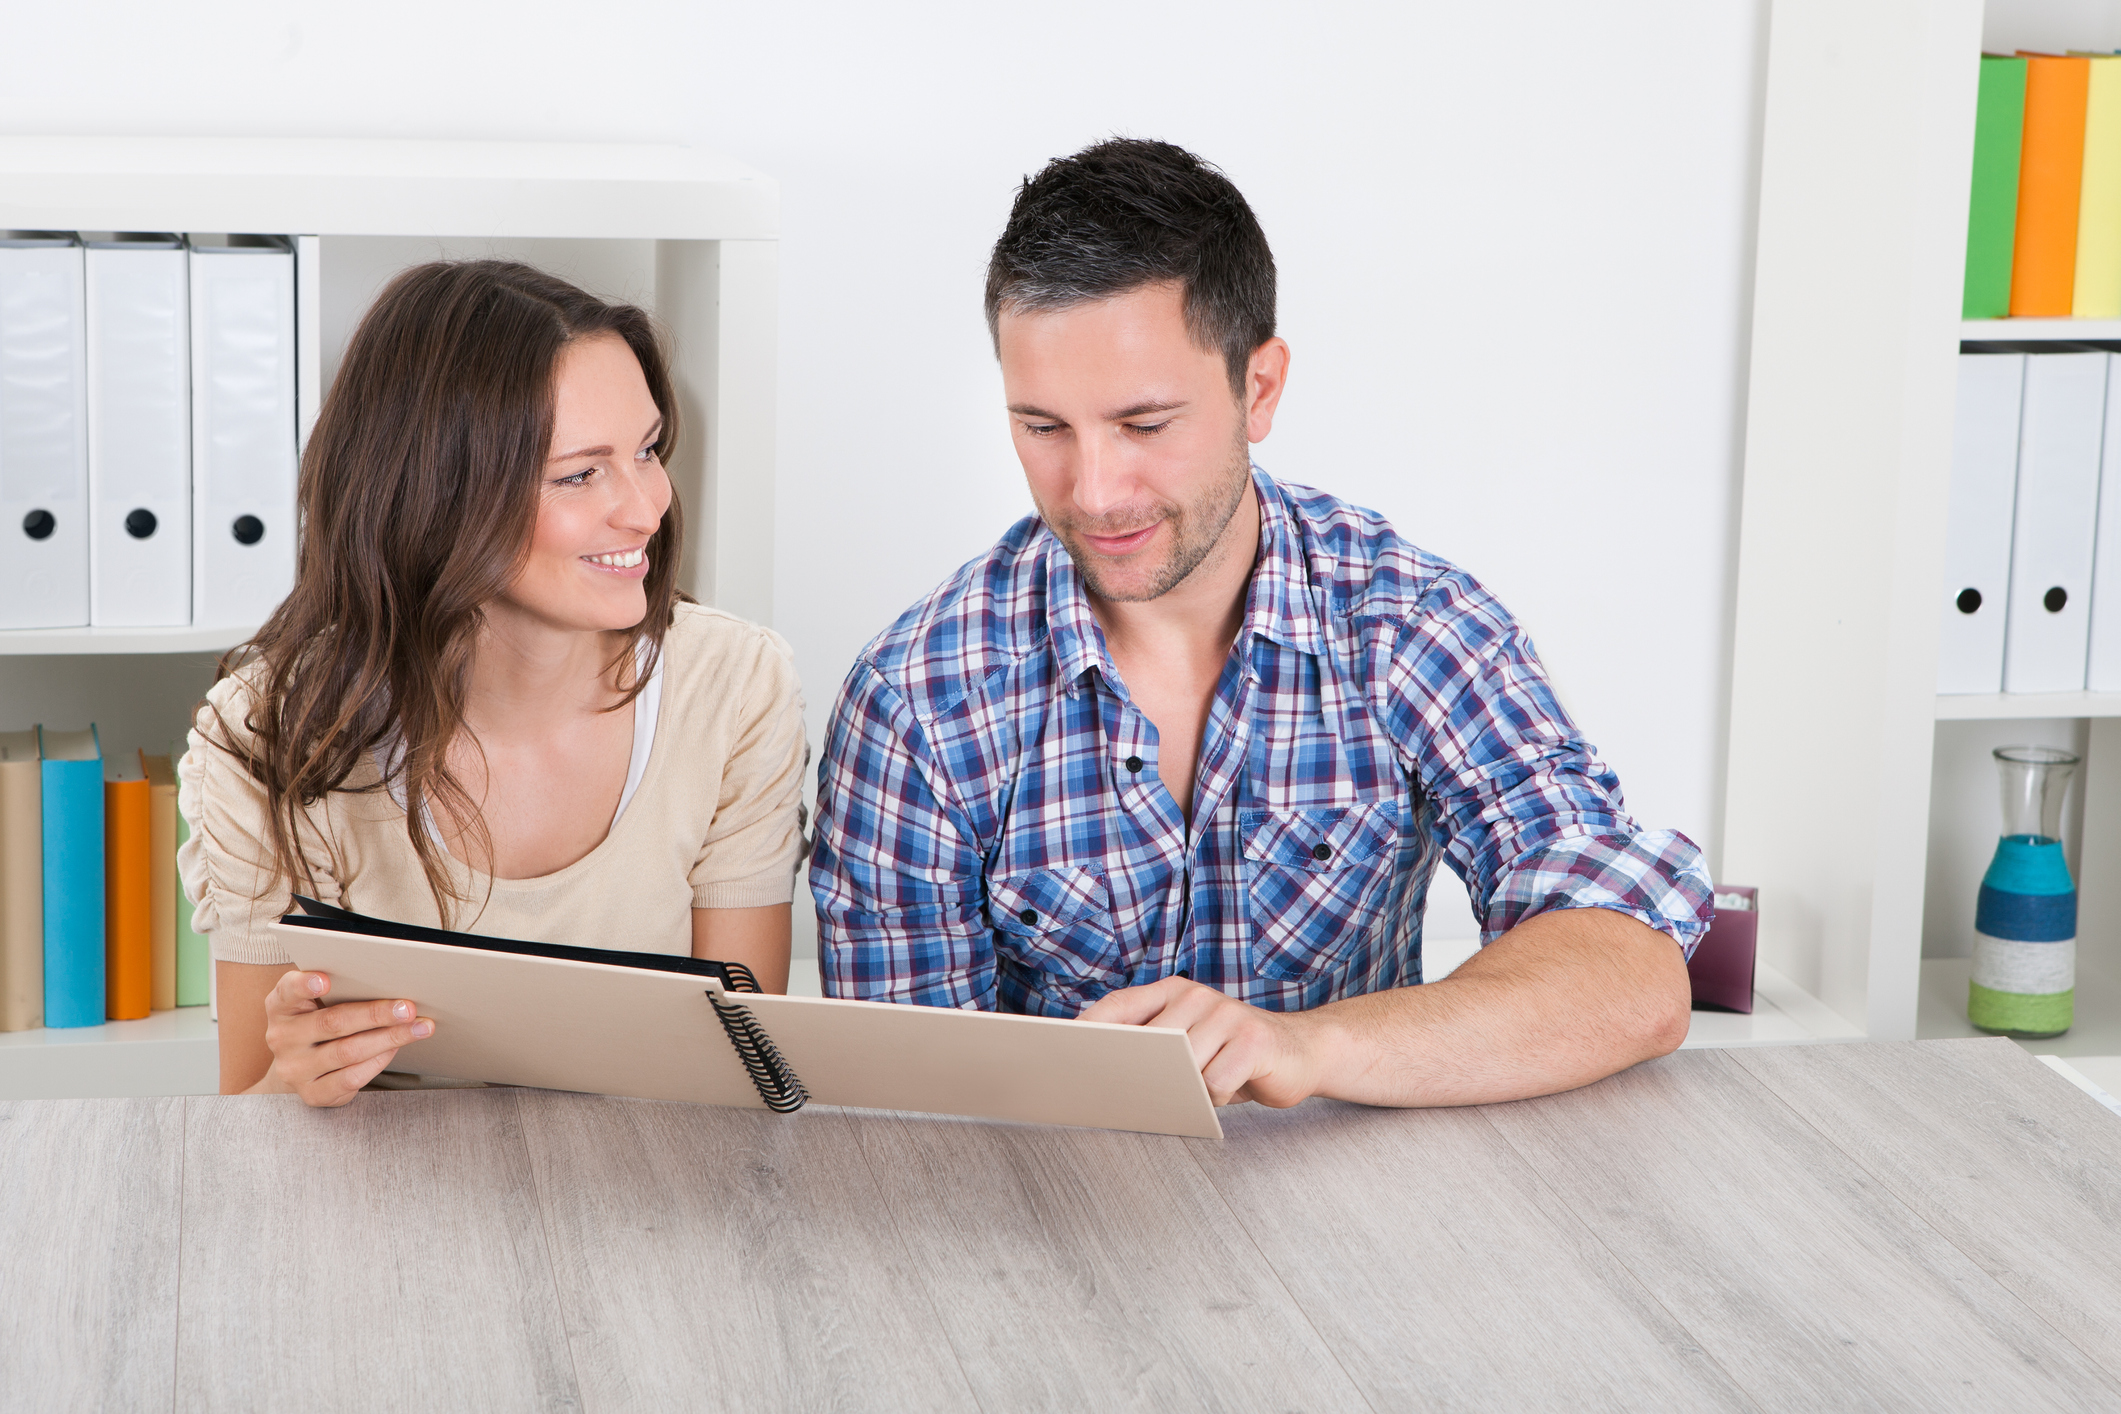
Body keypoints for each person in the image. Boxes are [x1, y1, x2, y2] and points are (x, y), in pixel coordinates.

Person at [810, 138, 1712, 1109]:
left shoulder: (1409, 626)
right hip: (1052, 1229)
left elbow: (1632, 973)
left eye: (1145, 425)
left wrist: (1305, 1049)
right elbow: (904, 1113)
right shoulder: (918, 701)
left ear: (1261, 389)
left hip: (1352, 1218)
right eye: (1043, 427)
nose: (1096, 489)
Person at [182, 261, 807, 1107]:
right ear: (440, 494)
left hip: (656, 1192)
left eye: (648, 449)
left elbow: (745, 1082)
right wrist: (295, 1081)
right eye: (581, 473)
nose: (646, 506)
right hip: (387, 1202)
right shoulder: (268, 735)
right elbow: (250, 1117)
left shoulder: (732, 688)